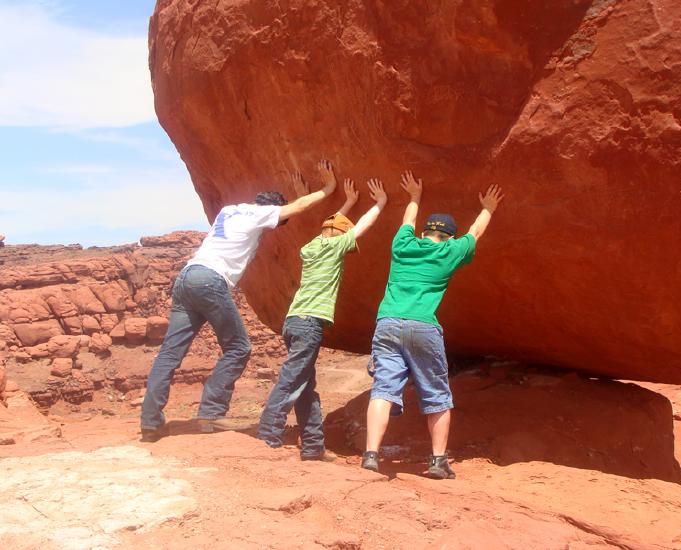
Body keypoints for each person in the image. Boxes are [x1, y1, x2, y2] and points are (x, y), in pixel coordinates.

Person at [139, 161, 340, 442]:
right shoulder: (260, 215)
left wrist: (291, 199)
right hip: (211, 280)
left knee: (170, 353)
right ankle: (211, 412)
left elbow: (281, 209)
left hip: (186, 278)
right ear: (272, 212)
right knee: (239, 347)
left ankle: (150, 421)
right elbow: (297, 208)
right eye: (279, 222)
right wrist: (328, 188)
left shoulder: (230, 210)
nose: (278, 225)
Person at [361, 171, 504, 478]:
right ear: (449, 237)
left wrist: (414, 197)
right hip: (423, 326)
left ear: (425, 233)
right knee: (436, 393)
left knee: (383, 389)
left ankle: (371, 455)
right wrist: (488, 208)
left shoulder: (403, 246)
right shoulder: (450, 251)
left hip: (387, 322)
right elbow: (475, 233)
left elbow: (406, 223)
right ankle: (438, 462)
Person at [257, 177, 388, 460]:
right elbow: (362, 227)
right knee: (293, 379)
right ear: (340, 236)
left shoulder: (312, 247)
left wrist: (349, 202)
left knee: (305, 383)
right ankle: (267, 433)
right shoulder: (334, 247)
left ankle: (314, 446)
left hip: (293, 321)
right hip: (309, 324)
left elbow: (332, 224)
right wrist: (379, 204)